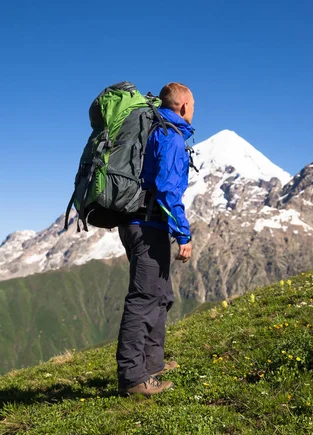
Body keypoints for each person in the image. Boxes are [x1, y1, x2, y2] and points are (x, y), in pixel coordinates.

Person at [116, 82, 195, 396]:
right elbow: (167, 189)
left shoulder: (152, 130)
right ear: (184, 107)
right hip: (149, 226)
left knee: (160, 296)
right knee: (145, 299)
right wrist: (183, 233)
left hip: (138, 223)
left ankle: (153, 363)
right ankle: (134, 379)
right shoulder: (170, 137)